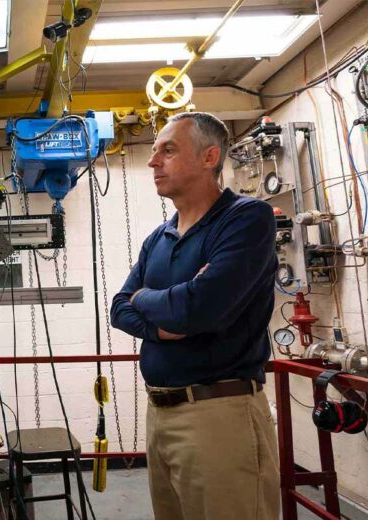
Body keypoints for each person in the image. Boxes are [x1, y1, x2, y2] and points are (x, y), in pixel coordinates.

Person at [110, 112, 280, 520]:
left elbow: (196, 309)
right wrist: (165, 312)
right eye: (154, 152)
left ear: (209, 157)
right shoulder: (159, 237)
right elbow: (118, 308)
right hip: (161, 416)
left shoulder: (245, 219)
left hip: (219, 416)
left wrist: (146, 297)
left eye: (167, 150)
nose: (153, 162)